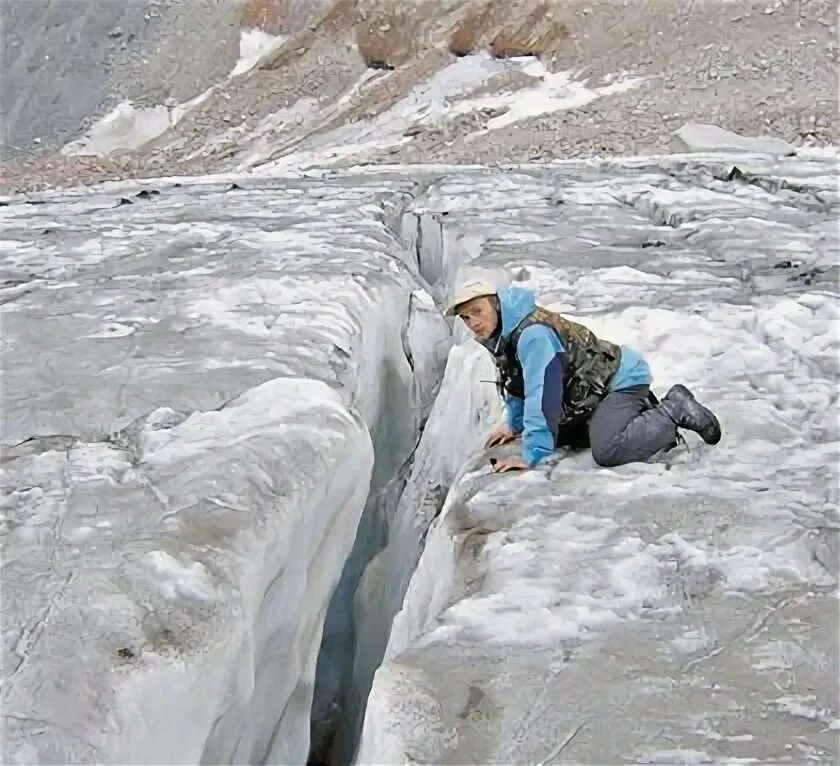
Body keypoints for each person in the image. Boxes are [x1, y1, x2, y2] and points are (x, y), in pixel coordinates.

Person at [446, 278, 722, 473]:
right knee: (563, 438)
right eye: (466, 318)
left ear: (496, 305)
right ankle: (638, 419)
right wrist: (516, 425)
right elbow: (516, 382)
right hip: (591, 393)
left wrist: (532, 454)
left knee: (608, 450)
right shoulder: (503, 334)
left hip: (618, 383)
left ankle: (672, 409)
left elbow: (543, 392)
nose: (473, 322)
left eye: (477, 311)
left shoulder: (532, 335)